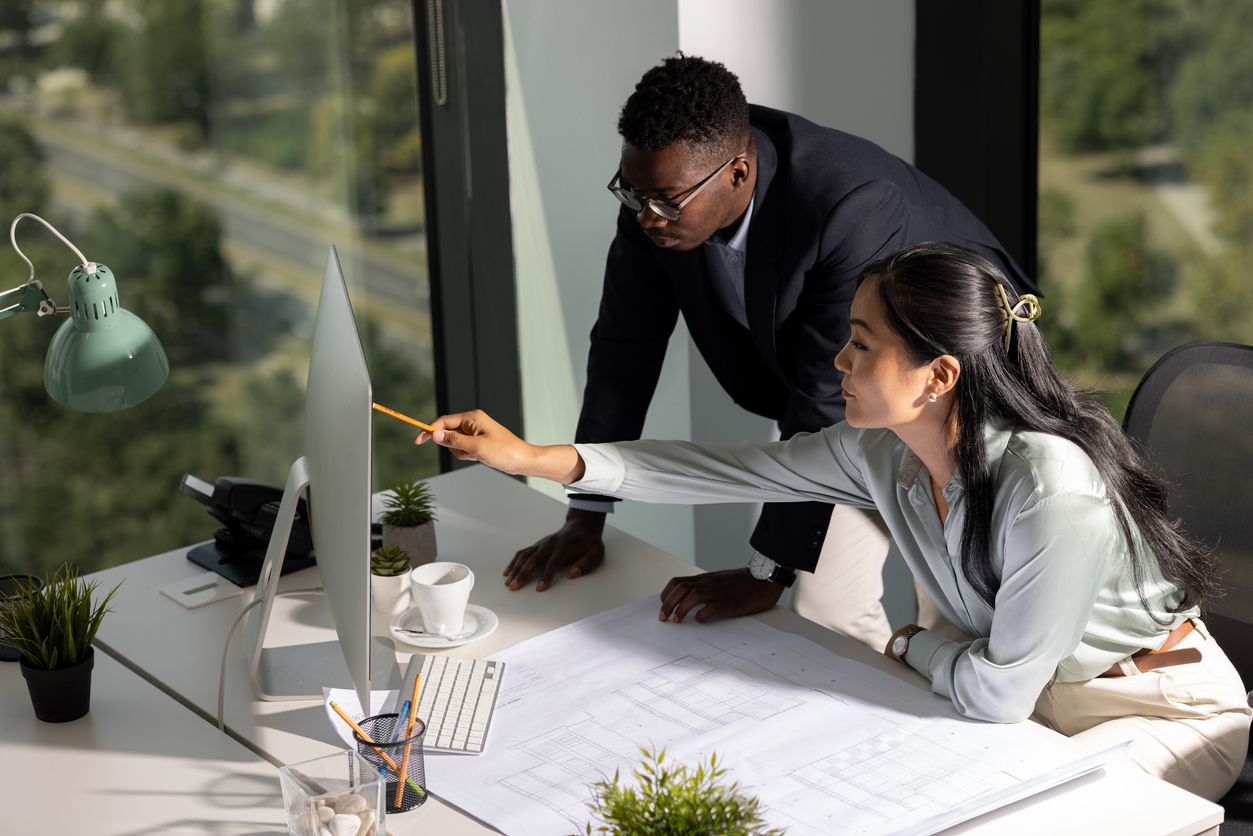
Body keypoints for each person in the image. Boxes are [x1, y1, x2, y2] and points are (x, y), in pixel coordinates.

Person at [417, 242, 1251, 800]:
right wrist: (537, 460)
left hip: (1148, 713)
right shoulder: (878, 453)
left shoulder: (1047, 486)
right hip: (1023, 699)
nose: (837, 362)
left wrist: (907, 643)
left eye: (861, 344)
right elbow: (724, 468)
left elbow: (997, 695)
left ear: (937, 376)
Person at [505, 54, 1037, 651]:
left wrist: (767, 571)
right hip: (857, 388)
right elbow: (624, 351)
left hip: (954, 383)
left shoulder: (847, 205)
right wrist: (586, 513)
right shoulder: (660, 192)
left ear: (736, 173)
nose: (648, 218)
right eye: (633, 193)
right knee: (825, 608)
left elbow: (820, 396)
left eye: (666, 202)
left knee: (952, 615)